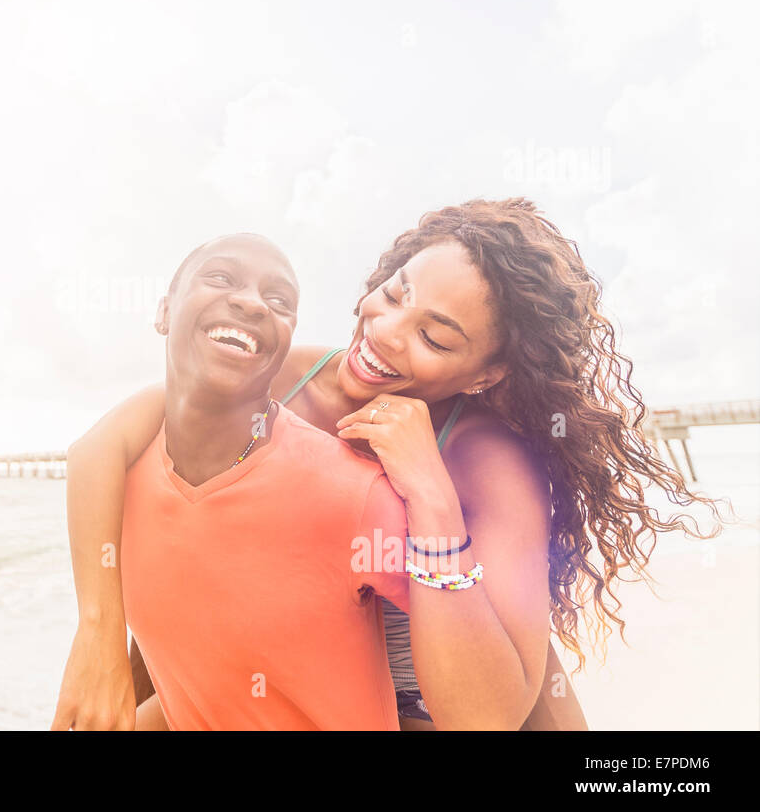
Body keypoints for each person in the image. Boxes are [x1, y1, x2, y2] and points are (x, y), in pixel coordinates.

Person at [52, 198, 726, 731]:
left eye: (434, 336)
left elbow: (496, 711)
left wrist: (430, 492)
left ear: (486, 373)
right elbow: (104, 451)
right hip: (258, 678)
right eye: (396, 292)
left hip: (432, 703)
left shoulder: (486, 458)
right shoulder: (280, 375)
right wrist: (99, 639)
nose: (385, 332)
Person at [87, 231, 421, 729]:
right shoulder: (121, 475)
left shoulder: (354, 494)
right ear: (163, 312)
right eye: (221, 278)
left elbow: (473, 644)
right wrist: (99, 647)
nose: (250, 302)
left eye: (279, 300)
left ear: (284, 339)